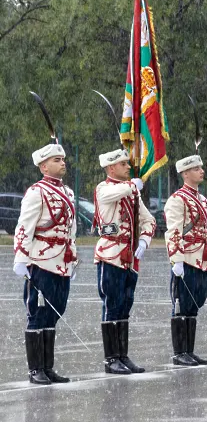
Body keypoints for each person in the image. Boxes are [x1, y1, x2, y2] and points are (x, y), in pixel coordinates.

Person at [13, 144, 78, 384]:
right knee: (37, 314)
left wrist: (72, 259)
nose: (63, 163)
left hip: (61, 262)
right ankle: (35, 369)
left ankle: (48, 368)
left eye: (63, 159)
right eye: (57, 160)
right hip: (41, 261)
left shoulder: (69, 193)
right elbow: (24, 227)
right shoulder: (35, 192)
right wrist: (21, 258)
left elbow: (70, 231)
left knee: (54, 313)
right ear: (43, 166)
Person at [93, 149, 155, 374]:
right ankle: (111, 359)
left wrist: (145, 241)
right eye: (123, 164)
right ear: (111, 168)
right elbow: (109, 196)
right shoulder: (104, 188)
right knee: (112, 305)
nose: (128, 167)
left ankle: (122, 355)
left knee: (125, 305)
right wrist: (132, 186)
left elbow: (149, 220)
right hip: (110, 255)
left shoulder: (131, 192)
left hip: (130, 258)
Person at [165, 155, 207, 366]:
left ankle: (189, 350)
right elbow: (174, 231)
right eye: (196, 168)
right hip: (186, 258)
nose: (201, 171)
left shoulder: (202, 199)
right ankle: (180, 353)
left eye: (201, 167)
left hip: (202, 257)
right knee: (182, 304)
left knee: (195, 304)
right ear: (185, 173)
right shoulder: (178, 199)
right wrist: (176, 259)